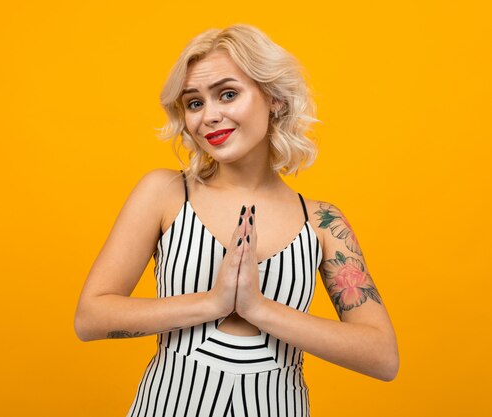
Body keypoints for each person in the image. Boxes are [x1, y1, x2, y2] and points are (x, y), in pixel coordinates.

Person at [75, 24, 398, 417]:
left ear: (274, 98)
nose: (209, 116)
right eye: (194, 103)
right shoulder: (165, 193)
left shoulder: (323, 222)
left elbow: (382, 357)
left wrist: (258, 308)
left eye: (228, 94)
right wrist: (213, 303)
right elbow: (91, 318)